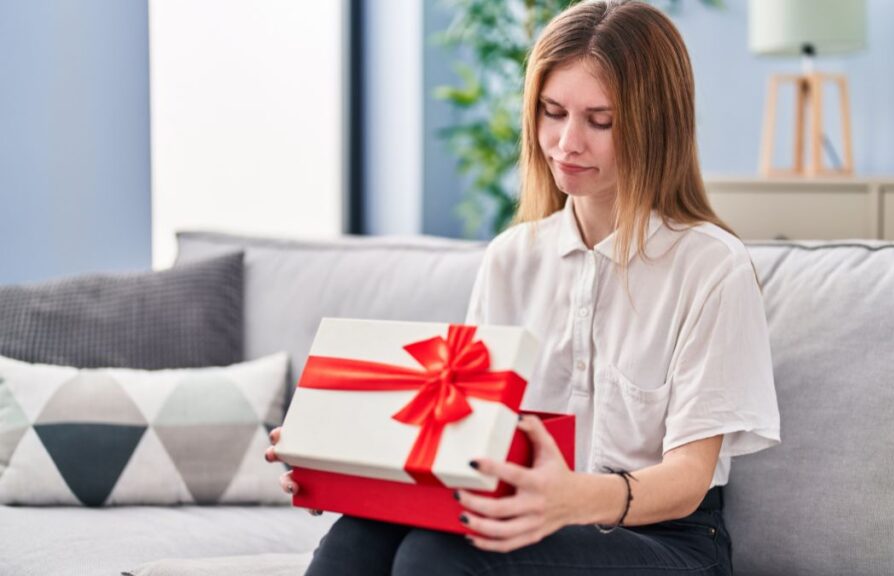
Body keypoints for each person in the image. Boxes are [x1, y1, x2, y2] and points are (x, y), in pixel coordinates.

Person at [266, 1, 780, 574]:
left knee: (436, 557)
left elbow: (687, 479)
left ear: (654, 125)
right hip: (537, 517)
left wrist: (571, 499)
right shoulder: (513, 259)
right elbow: (466, 437)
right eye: (553, 112)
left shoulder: (710, 267)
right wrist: (345, 462)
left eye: (600, 120)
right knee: (356, 538)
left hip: (669, 541)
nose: (566, 143)